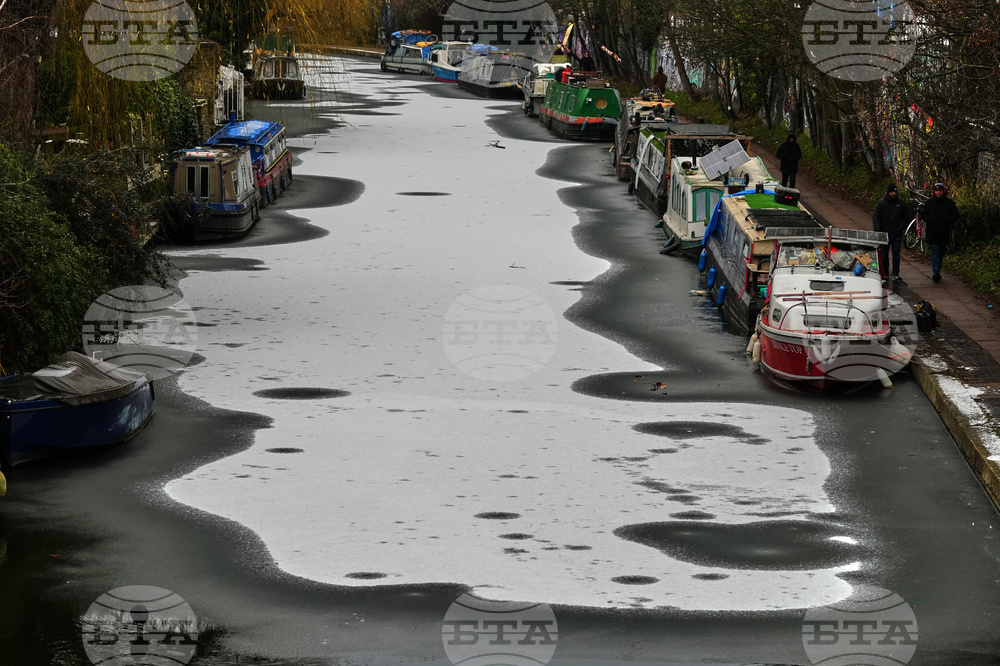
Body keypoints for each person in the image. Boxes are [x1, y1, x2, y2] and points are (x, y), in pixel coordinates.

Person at [922, 181, 959, 282]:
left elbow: (955, 214)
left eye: (940, 190)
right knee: (935, 250)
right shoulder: (929, 203)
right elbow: (923, 214)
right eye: (936, 190)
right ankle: (936, 272)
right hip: (933, 231)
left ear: (943, 191)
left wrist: (949, 221)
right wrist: (929, 220)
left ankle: (937, 269)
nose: (938, 192)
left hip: (943, 231)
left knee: (941, 252)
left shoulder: (949, 203)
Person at [871, 183, 908, 281]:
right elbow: (876, 217)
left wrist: (901, 227)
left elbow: (905, 217)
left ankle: (896, 273)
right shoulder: (881, 203)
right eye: (892, 192)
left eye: (895, 192)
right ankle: (885, 272)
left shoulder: (901, 203)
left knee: (896, 254)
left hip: (896, 233)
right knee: (884, 254)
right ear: (888, 192)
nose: (894, 194)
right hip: (884, 233)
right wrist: (877, 230)